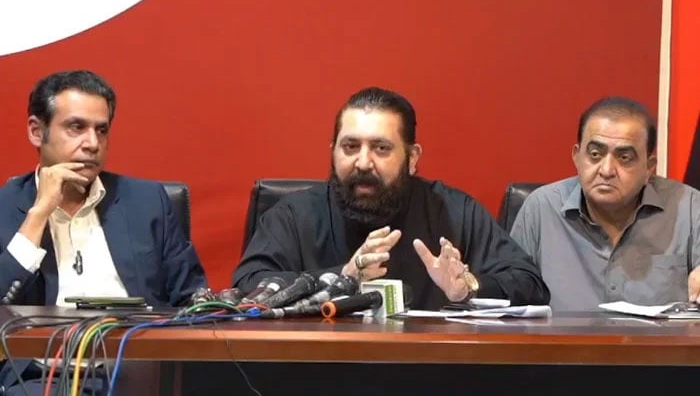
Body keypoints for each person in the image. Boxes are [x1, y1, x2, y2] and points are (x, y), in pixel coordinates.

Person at [233, 87, 549, 310]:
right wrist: (343, 276)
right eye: (350, 146)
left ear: (412, 158)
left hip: (431, 374)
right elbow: (249, 284)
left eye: (381, 148)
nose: (363, 162)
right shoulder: (293, 214)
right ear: (333, 150)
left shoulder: (453, 211)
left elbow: (530, 285)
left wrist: (469, 286)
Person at [0, 70, 207, 394]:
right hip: (40, 378)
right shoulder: (5, 207)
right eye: (76, 127)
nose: (92, 144)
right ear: (37, 131)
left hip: (137, 373)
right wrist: (39, 214)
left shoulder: (147, 202)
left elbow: (193, 299)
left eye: (102, 130)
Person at [510, 96, 700, 311]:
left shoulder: (690, 208)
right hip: (564, 344)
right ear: (577, 157)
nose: (607, 170)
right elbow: (512, 297)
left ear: (649, 167)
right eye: (595, 154)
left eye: (624, 157)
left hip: (658, 345)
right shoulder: (540, 208)